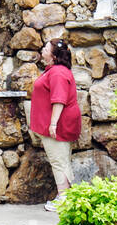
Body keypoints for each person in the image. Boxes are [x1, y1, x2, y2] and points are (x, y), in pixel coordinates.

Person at [25, 38, 81, 212]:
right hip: (57, 123)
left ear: (54, 55)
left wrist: (53, 124)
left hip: (59, 124)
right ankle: (65, 195)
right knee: (61, 159)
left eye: (45, 48)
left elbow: (59, 99)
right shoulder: (54, 71)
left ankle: (64, 199)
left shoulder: (57, 73)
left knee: (58, 160)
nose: (42, 49)